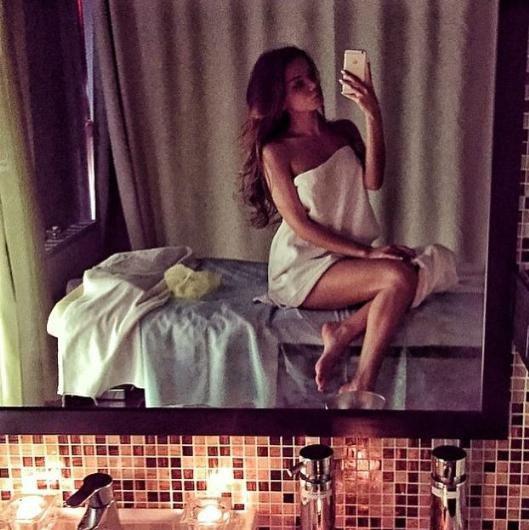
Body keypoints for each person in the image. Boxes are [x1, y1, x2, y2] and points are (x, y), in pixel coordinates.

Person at [240, 46, 418, 395]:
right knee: (398, 277)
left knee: (419, 265)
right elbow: (301, 225)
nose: (312, 85)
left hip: (345, 257)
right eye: (298, 84)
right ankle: (362, 384)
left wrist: (372, 113)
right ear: (280, 98)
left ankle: (343, 331)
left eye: (311, 76)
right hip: (303, 265)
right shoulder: (277, 151)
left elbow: (374, 180)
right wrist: (368, 254)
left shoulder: (344, 131)